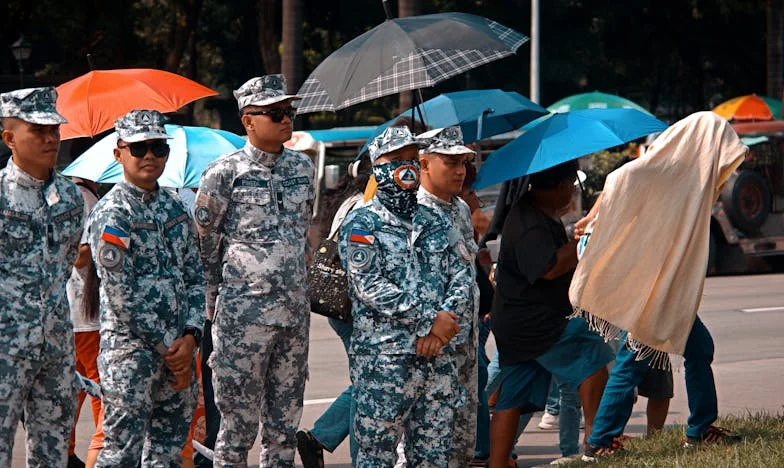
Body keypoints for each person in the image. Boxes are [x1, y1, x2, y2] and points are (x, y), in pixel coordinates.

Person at [569, 112, 747, 459]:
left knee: (697, 349)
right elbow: (620, 178)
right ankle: (599, 441)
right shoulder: (663, 169)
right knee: (633, 359)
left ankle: (699, 429)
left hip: (662, 287)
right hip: (648, 287)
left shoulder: (690, 178)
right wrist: (593, 217)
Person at [194, 74, 315, 467]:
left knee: (284, 429)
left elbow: (302, 236)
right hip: (242, 321)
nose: (286, 119)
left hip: (293, 318)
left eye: (289, 111)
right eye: (275, 113)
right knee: (237, 430)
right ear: (248, 121)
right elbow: (205, 245)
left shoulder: (302, 167)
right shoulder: (223, 173)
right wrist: (213, 308)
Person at [338, 126, 471, 466]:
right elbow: (369, 285)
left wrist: (440, 329)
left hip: (436, 358)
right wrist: (429, 320)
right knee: (376, 455)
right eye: (396, 160)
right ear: (376, 166)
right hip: (385, 358)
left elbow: (461, 274)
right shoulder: (362, 223)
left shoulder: (436, 220)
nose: (406, 167)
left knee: (434, 455)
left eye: (412, 159)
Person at [86, 109, 204, 466]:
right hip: (132, 356)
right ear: (119, 153)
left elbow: (196, 277)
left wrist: (191, 336)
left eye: (158, 148)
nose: (150, 156)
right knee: (121, 453)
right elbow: (122, 294)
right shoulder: (112, 213)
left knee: (168, 454)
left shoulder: (174, 209)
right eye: (139, 149)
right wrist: (170, 349)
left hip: (180, 352)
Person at [488, 160, 615, 468]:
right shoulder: (529, 221)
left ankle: (497, 461)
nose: (573, 192)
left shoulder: (537, 213)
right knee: (594, 359)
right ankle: (596, 444)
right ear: (559, 186)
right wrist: (583, 243)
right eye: (572, 185)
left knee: (513, 398)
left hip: (517, 323)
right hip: (537, 323)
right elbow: (548, 267)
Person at [0, 86, 83, 468]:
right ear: (9, 138)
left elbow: (65, 265)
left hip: (55, 345)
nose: (51, 138)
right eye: (38, 130)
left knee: (52, 452)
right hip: (5, 345)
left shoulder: (69, 197)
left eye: (55, 129)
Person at [296, 157, 371, 467]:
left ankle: (320, 437)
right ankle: (348, 450)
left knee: (367, 380)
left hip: (340, 306)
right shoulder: (365, 206)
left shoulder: (347, 202)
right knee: (370, 383)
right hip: (353, 307)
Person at [416, 126, 480, 467]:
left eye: (464, 162)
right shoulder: (410, 212)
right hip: (433, 344)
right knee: (425, 444)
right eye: (451, 162)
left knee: (460, 443)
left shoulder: (459, 209)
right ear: (423, 164)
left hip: (465, 343)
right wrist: (429, 324)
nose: (461, 171)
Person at [66, 177, 103, 468]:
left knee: (74, 387)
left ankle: (66, 453)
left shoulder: (63, 194)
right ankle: (100, 452)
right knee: (101, 388)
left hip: (70, 314)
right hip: (87, 315)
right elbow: (81, 257)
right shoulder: (85, 197)